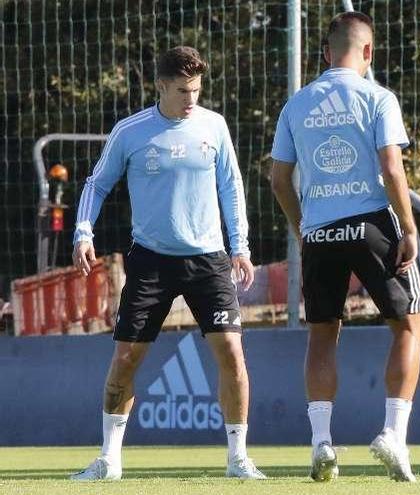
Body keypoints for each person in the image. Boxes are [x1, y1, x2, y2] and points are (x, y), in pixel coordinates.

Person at [69, 46, 265, 480]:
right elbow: (96, 184)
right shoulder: (131, 131)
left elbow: (231, 188)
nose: (191, 98)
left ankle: (238, 458)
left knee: (232, 353)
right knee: (125, 359)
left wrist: (242, 247)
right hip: (151, 262)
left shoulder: (214, 126)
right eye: (182, 90)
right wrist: (84, 232)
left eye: (196, 89)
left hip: (209, 259)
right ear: (160, 85)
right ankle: (108, 460)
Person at [270, 11, 420, 483]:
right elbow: (393, 170)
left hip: (319, 230)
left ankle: (321, 444)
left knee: (322, 332)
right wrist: (410, 230)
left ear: (323, 54)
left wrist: (303, 229)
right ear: (368, 52)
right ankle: (393, 435)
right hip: (371, 224)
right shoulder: (378, 97)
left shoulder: (297, 104)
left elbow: (278, 179)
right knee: (410, 324)